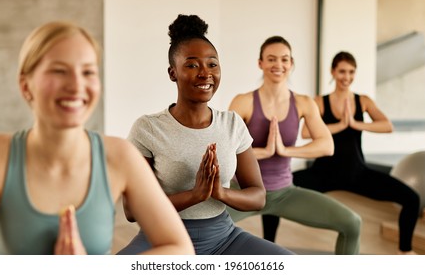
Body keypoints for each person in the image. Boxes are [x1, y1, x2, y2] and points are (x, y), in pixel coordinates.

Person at [0, 21, 194, 255]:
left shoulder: (120, 156)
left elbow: (180, 250)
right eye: (59, 71)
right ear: (25, 85)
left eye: (88, 72)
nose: (76, 85)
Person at [118, 14, 294, 255]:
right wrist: (194, 195)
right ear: (172, 73)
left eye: (212, 64)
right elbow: (131, 210)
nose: (205, 73)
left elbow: (258, 196)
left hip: (224, 238)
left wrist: (220, 193)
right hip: (162, 238)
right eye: (192, 65)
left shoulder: (232, 123)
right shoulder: (148, 128)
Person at [226, 36, 362, 255]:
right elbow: (225, 150)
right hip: (243, 192)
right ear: (260, 63)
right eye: (271, 59)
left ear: (291, 64)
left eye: (284, 59)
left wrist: (285, 151)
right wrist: (263, 152)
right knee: (191, 229)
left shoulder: (302, 103)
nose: (278, 65)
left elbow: (327, 145)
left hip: (284, 192)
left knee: (352, 223)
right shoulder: (243, 101)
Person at [291, 51, 420, 255]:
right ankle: (269, 245)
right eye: (342, 71)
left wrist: (356, 124)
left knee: (412, 199)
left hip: (357, 173)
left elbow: (387, 125)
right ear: (333, 72)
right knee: (275, 188)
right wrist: (341, 125)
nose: (347, 77)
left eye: (351, 72)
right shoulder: (319, 102)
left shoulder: (363, 101)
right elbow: (306, 132)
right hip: (323, 174)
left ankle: (405, 252)